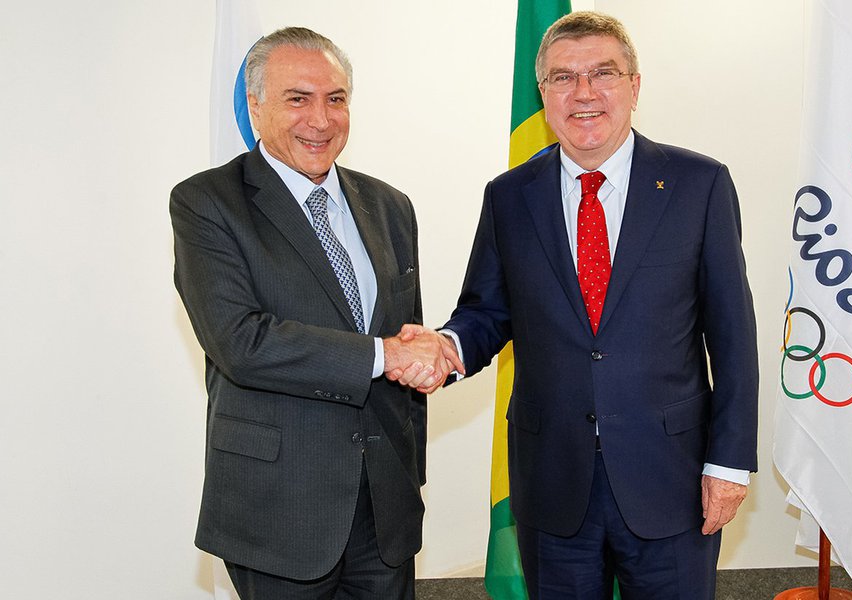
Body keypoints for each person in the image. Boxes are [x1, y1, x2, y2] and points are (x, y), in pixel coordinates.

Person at [396, 11, 758, 599]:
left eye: (603, 73)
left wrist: (730, 462)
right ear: (543, 95)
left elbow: (734, 336)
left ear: (635, 86)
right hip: (553, 482)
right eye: (563, 78)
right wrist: (446, 345)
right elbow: (487, 311)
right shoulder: (510, 196)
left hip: (670, 477)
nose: (584, 93)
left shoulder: (699, 184)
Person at [171, 26, 460, 600]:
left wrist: (410, 476)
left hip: (385, 513)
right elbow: (241, 342)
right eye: (297, 99)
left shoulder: (389, 206)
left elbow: (406, 338)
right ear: (254, 107)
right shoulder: (207, 202)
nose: (321, 120)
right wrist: (387, 355)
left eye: (336, 99)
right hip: (279, 511)